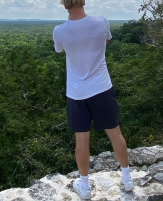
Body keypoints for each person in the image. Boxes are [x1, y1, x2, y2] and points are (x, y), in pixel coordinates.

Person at [53, 0, 134, 199]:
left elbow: (61, 50)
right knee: (115, 133)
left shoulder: (60, 31)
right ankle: (127, 178)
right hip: (102, 88)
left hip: (76, 93)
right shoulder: (101, 22)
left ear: (63, 4)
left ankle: (85, 186)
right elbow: (106, 41)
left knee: (82, 139)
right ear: (84, 1)